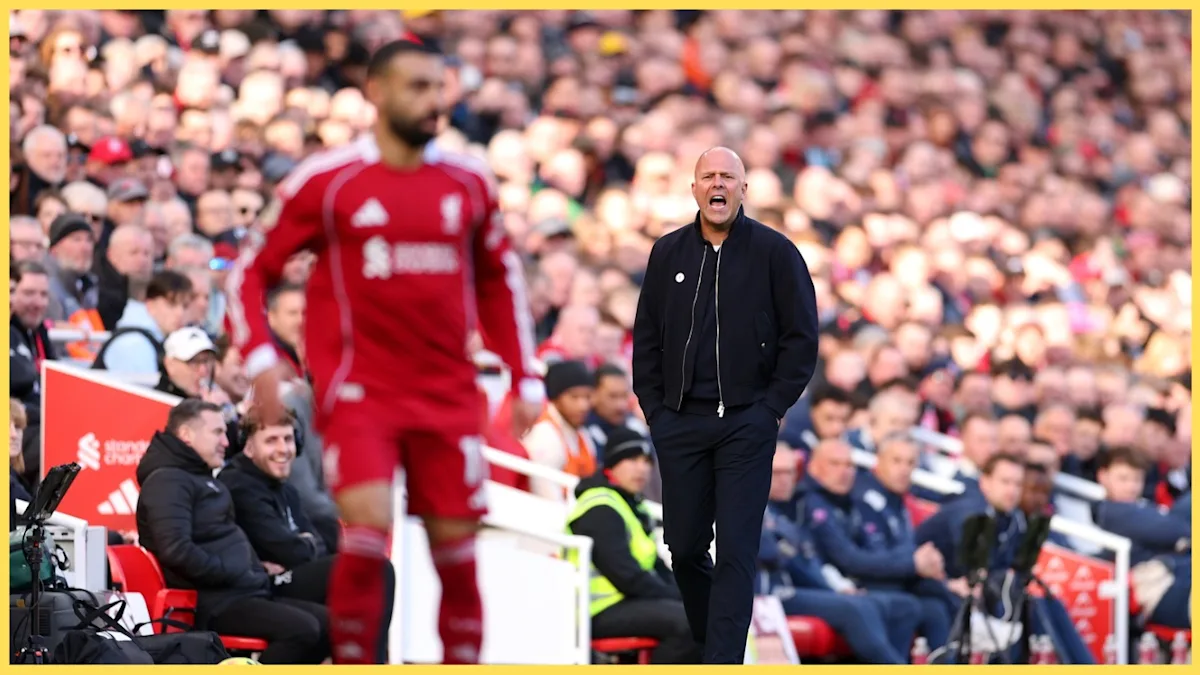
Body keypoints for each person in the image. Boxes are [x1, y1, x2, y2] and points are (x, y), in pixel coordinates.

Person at [226, 39, 543, 665]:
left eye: (439, 88)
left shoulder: (469, 181)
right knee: (368, 537)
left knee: (458, 555)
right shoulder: (328, 180)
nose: (433, 102)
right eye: (417, 87)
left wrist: (525, 374)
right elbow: (249, 270)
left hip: (448, 392)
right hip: (362, 390)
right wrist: (261, 357)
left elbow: (500, 281)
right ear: (376, 92)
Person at [631, 146, 819, 663]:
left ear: (743, 189)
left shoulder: (776, 253)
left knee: (737, 550)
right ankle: (709, 644)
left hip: (747, 424)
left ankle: (722, 663)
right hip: (680, 421)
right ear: (694, 188)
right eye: (709, 176)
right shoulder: (667, 252)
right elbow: (646, 338)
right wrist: (657, 412)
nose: (718, 184)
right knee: (685, 547)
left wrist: (771, 409)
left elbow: (802, 339)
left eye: (728, 177)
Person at [135, 399, 330, 664]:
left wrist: (253, 566)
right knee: (303, 630)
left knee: (330, 625)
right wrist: (234, 571)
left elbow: (221, 538)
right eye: (217, 432)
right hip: (214, 603)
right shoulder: (166, 481)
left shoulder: (199, 476)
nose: (226, 442)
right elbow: (176, 550)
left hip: (244, 591)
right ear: (187, 435)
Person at [759, 445, 920, 664]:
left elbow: (810, 560)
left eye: (789, 472)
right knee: (856, 607)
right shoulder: (758, 508)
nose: (784, 480)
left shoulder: (797, 505)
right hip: (771, 593)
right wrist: (834, 590)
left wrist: (837, 587)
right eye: (777, 473)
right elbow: (780, 556)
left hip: (813, 584)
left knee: (904, 606)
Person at [219, 411, 389, 608]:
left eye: (288, 439)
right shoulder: (239, 485)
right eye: (271, 441)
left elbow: (316, 543)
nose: (283, 449)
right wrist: (302, 543)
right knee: (373, 569)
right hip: (262, 586)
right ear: (249, 448)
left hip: (289, 574)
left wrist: (303, 544)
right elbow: (286, 550)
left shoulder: (286, 489)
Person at [565, 427, 701, 664]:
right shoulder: (600, 507)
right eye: (632, 459)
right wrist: (675, 597)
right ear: (612, 465)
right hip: (596, 610)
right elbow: (626, 575)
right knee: (688, 624)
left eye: (646, 461)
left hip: (628, 603)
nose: (642, 468)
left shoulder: (632, 506)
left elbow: (656, 567)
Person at [849, 434, 955, 650]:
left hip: (897, 580)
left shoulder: (898, 499)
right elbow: (873, 559)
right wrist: (916, 563)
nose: (904, 469)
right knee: (928, 596)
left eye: (910, 463)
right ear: (879, 461)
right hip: (867, 583)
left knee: (936, 608)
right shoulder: (864, 498)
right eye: (896, 461)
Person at [1093, 446, 1191, 630]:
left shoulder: (1143, 508)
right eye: (1123, 478)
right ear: (1103, 476)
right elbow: (1174, 530)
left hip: (1176, 581)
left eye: (1137, 479)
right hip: (1157, 590)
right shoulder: (1111, 511)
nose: (1131, 487)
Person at [522, 359, 598, 499]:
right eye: (574, 397)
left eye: (587, 397)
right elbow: (547, 495)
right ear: (556, 398)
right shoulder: (545, 434)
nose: (583, 406)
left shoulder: (581, 432)